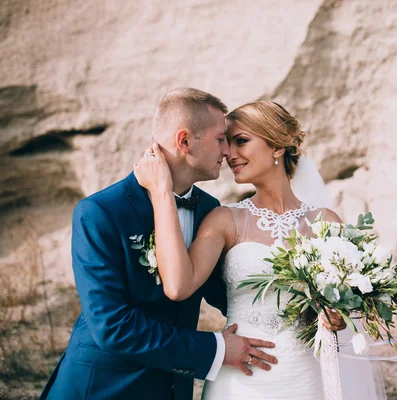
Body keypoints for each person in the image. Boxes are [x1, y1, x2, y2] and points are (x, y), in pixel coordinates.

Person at [39, 89, 283, 400]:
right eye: (220, 139)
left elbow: (231, 294)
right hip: (103, 387)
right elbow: (112, 326)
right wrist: (215, 349)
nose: (227, 151)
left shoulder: (208, 209)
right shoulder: (101, 212)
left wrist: (299, 304)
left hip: (170, 389)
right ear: (184, 141)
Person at [134, 101, 383, 399]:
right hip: (241, 379)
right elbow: (179, 286)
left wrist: (336, 316)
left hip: (306, 375)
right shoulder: (224, 219)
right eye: (226, 143)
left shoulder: (325, 222)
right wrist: (162, 193)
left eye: (241, 141)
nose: (229, 154)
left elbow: (350, 307)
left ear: (277, 147)